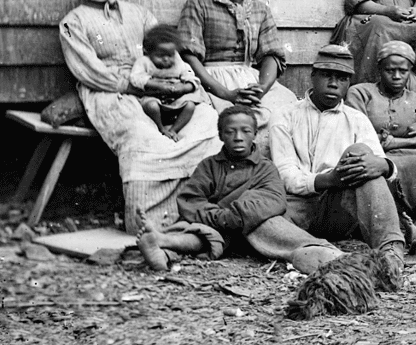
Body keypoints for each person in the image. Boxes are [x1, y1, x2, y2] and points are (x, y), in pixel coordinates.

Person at [59, 0, 220, 235]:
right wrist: (135, 85)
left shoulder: (140, 14)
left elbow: (170, 54)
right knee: (143, 136)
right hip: (110, 91)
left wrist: (185, 82)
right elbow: (88, 71)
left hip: (157, 85)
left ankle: (202, 212)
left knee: (206, 120)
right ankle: (151, 225)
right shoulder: (74, 22)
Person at [135, 106, 333, 272]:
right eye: (230, 132)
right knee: (199, 232)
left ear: (255, 134)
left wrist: (234, 216)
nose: (238, 137)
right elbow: (190, 199)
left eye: (245, 131)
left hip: (250, 226)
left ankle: (316, 252)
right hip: (215, 226)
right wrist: (218, 217)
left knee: (272, 226)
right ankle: (162, 249)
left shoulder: (265, 167)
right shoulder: (209, 165)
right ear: (221, 135)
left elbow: (273, 199)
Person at [269, 44, 407, 272]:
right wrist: (330, 179)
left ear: (349, 83)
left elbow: (377, 164)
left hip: (340, 208)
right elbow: (286, 174)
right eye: (327, 75)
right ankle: (323, 252)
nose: (333, 84)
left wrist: (384, 165)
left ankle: (390, 252)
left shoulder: (356, 119)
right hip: (298, 207)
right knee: (263, 219)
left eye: (342, 78)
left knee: (361, 153)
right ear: (313, 76)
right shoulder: (285, 115)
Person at [178, 0, 297, 155]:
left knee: (286, 110)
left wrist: (260, 89)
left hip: (250, 80)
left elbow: (271, 55)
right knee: (210, 122)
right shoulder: (198, 4)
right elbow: (189, 55)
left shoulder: (260, 10)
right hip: (209, 80)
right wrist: (225, 94)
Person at [345, 41, 416, 210]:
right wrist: (408, 141)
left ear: (410, 71)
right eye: (390, 70)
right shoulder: (361, 93)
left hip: (409, 156)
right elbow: (356, 133)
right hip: (375, 155)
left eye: (403, 71)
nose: (397, 76)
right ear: (379, 69)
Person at [129, 24, 206, 142]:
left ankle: (174, 129)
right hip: (155, 97)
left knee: (190, 105)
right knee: (152, 106)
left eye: (170, 55)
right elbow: (136, 78)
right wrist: (158, 85)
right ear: (148, 52)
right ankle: (161, 128)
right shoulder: (144, 62)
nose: (166, 59)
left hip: (175, 99)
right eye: (160, 56)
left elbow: (190, 75)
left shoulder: (177, 61)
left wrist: (184, 87)